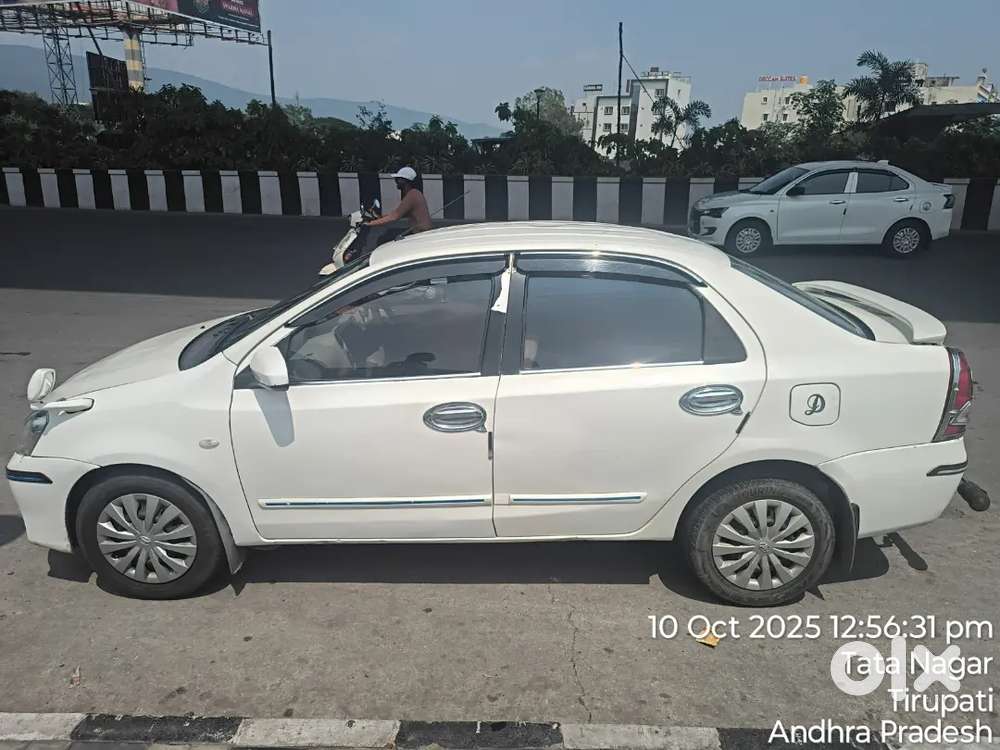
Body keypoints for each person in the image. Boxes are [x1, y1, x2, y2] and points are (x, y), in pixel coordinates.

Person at [364, 167, 433, 235]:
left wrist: (369, 224)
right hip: (421, 233)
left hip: (422, 234)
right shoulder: (414, 193)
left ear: (405, 181)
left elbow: (394, 216)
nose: (396, 181)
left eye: (398, 179)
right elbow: (398, 213)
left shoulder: (412, 194)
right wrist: (379, 217)